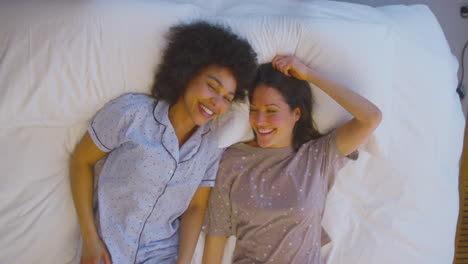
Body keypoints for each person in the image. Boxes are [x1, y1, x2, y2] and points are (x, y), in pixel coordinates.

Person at [69, 21, 257, 264]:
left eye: (226, 98)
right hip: (106, 253)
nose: (216, 103)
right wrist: (90, 239)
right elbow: (80, 162)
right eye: (211, 86)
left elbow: (195, 208)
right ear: (188, 73)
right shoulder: (132, 114)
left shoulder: (209, 148)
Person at [202, 55, 382, 264]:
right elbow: (216, 234)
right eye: (254, 110)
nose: (260, 121)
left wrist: (310, 75)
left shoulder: (317, 156)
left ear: (296, 114)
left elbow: (371, 117)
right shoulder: (232, 160)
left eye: (271, 111)